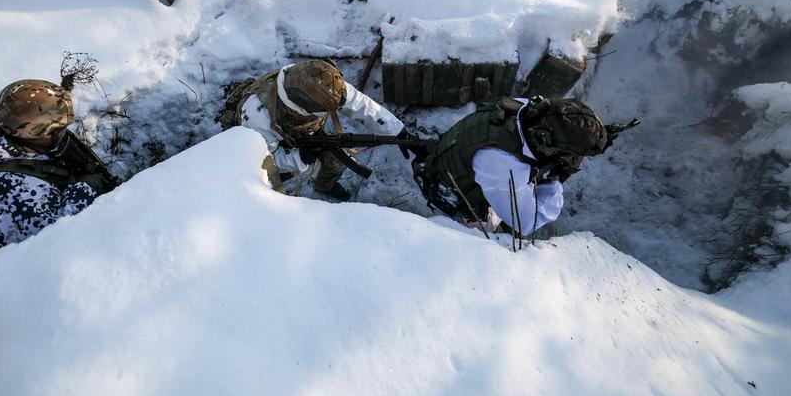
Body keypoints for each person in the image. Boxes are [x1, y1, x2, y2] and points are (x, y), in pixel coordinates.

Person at [0, 79, 117, 260]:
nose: (61, 133)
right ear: (30, 131)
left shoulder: (7, 133)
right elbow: (53, 238)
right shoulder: (2, 188)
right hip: (22, 268)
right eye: (55, 130)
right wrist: (89, 185)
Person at [417, 96, 608, 238]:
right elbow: (525, 222)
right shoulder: (504, 166)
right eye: (573, 156)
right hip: (448, 192)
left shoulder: (524, 108)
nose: (575, 161)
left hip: (453, 156)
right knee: (499, 239)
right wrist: (555, 183)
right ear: (546, 141)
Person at [221, 59, 406, 200]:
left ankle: (325, 186)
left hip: (300, 134)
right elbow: (265, 159)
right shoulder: (258, 115)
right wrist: (299, 158)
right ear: (303, 110)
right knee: (270, 190)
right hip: (261, 146)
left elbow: (359, 104)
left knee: (336, 158)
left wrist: (397, 131)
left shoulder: (320, 80)